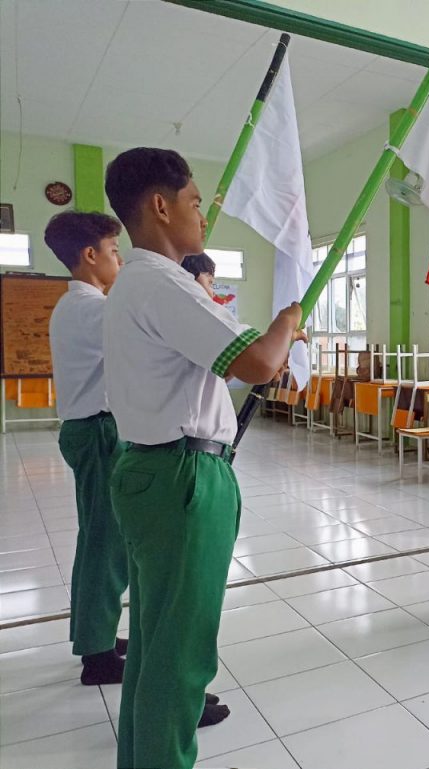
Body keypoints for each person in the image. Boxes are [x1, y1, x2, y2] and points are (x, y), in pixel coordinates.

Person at [103, 147, 305, 769]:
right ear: (160, 207)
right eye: (194, 201)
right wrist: (287, 320)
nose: (202, 214)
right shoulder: (162, 283)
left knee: (157, 644)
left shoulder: (137, 282)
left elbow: (225, 365)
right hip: (182, 479)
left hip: (156, 468)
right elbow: (259, 362)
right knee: (181, 653)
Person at [45, 210, 129, 686]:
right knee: (106, 544)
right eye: (115, 251)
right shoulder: (93, 309)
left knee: (97, 539)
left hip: (91, 429)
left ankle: (97, 635)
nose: (120, 259)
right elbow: (147, 340)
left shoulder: (76, 305)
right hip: (98, 432)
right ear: (90, 255)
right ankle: (98, 656)